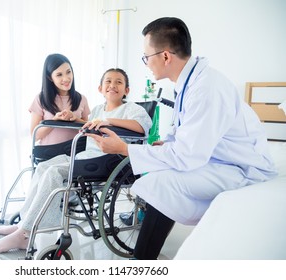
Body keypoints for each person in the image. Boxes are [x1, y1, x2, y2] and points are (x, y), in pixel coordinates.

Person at [86, 17, 278, 260]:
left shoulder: (206, 88)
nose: (146, 63)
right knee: (159, 178)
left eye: (146, 56)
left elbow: (187, 155)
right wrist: (167, 143)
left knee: (162, 183)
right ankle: (145, 255)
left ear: (165, 56)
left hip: (242, 167)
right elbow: (185, 132)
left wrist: (125, 149)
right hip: (217, 157)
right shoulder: (188, 82)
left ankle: (142, 260)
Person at [0, 68, 152, 254]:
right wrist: (74, 118)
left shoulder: (132, 109)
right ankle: (25, 221)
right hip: (85, 157)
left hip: (107, 160)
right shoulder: (98, 110)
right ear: (100, 88)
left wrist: (109, 121)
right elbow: (88, 125)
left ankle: (26, 233)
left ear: (127, 90)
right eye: (108, 81)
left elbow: (142, 126)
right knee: (44, 167)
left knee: (55, 173)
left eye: (118, 82)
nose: (113, 85)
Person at [0, 53, 90, 236]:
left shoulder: (80, 99)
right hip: (48, 153)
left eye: (68, 72)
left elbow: (88, 129)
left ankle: (25, 227)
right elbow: (35, 134)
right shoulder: (41, 99)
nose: (66, 78)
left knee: (47, 171)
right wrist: (54, 119)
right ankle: (23, 223)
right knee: (42, 171)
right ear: (50, 78)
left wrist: (75, 118)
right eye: (59, 74)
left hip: (72, 153)